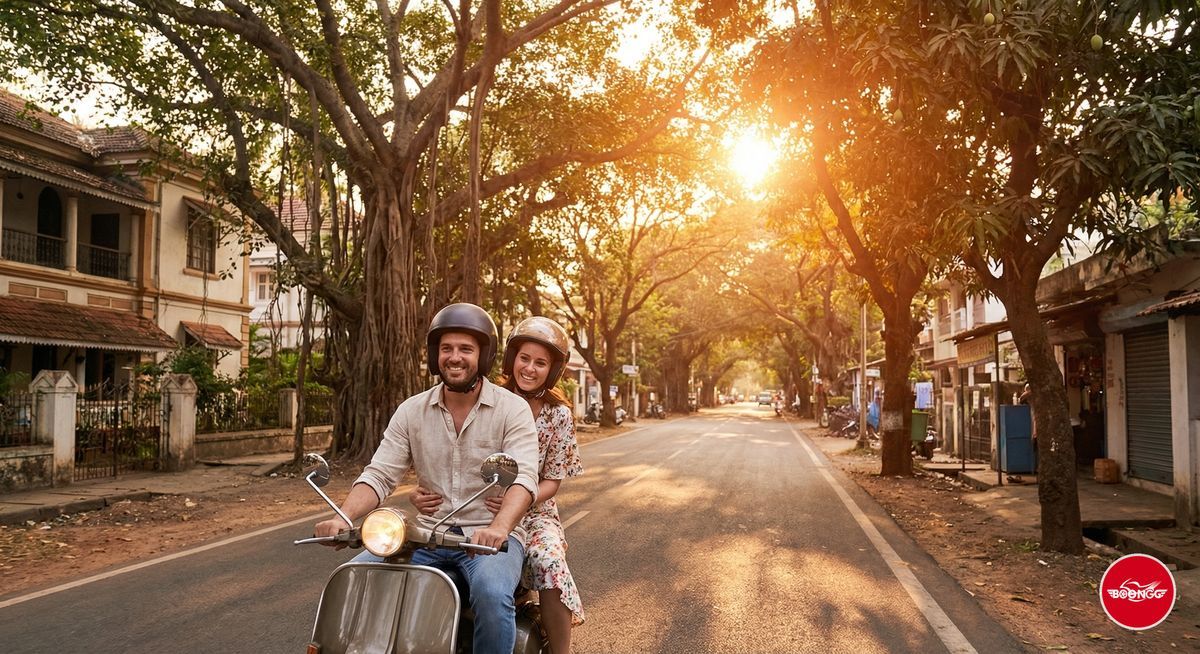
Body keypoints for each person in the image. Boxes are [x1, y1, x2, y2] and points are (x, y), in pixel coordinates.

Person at [313, 302, 540, 654]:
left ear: (483, 355)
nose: (455, 357)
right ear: (436, 355)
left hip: (487, 541)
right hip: (425, 536)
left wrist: (499, 527)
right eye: (446, 348)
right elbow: (380, 473)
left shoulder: (512, 409)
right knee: (354, 575)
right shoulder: (411, 410)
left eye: (466, 349)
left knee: (493, 595)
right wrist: (341, 517)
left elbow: (524, 477)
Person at [411, 316, 584, 654]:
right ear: (510, 359)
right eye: (524, 359)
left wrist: (517, 500)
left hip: (535, 513)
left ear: (554, 370)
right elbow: (451, 456)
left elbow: (551, 480)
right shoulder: (486, 397)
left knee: (548, 560)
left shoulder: (558, 415)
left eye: (540, 363)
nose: (530, 369)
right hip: (477, 506)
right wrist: (424, 491)